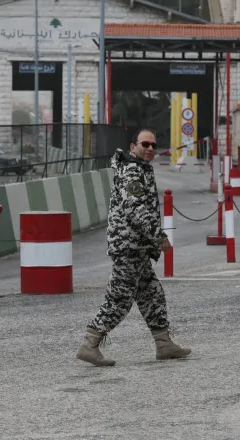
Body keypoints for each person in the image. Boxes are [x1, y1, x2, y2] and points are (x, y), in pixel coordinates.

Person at [77, 128, 191, 367]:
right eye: (145, 144)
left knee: (152, 294)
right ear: (133, 147)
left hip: (137, 246)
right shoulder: (131, 170)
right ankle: (90, 343)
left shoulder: (140, 168)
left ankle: (164, 344)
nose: (150, 149)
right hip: (128, 245)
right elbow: (136, 209)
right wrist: (158, 236)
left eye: (153, 145)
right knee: (119, 297)